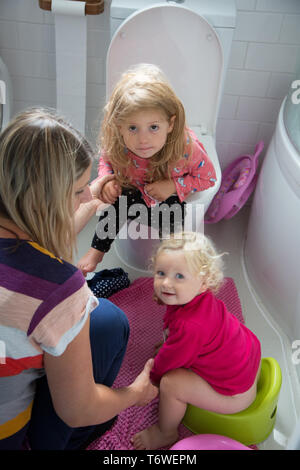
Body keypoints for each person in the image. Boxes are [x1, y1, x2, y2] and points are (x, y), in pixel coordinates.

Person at [0, 108, 158, 450]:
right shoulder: (59, 287)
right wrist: (135, 393)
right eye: (76, 192)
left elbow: (28, 245)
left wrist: (94, 199)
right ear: (44, 201)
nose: (86, 196)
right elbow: (78, 409)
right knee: (108, 321)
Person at [77, 64, 217, 276]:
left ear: (170, 124)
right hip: (135, 188)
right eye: (133, 128)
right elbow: (107, 159)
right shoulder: (119, 143)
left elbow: (208, 178)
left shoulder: (186, 148)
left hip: (168, 192)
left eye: (153, 127)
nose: (143, 140)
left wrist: (173, 185)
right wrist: (107, 180)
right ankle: (98, 250)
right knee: (115, 204)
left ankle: (169, 258)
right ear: (119, 125)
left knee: (173, 216)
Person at [131, 232, 261, 450]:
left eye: (179, 276)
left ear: (203, 283)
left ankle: (166, 433)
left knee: (170, 383)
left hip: (236, 394)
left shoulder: (189, 326)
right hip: (250, 361)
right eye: (161, 273)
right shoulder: (199, 298)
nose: (166, 283)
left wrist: (151, 378)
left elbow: (167, 363)